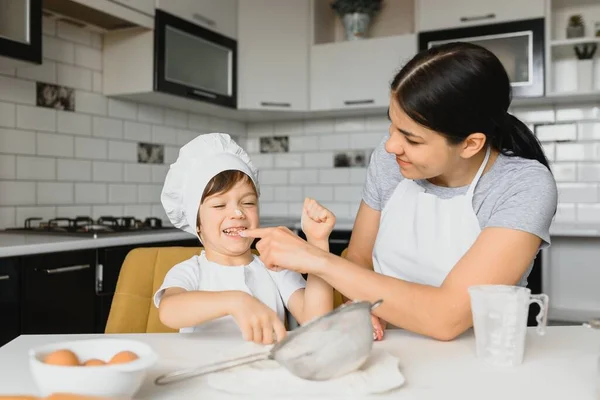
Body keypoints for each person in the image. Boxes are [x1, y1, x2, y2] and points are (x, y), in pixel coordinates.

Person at [240, 42, 558, 341]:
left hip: (483, 355)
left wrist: (317, 259)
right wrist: (360, 305)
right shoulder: (391, 160)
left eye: (412, 138)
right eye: (392, 125)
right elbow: (359, 255)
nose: (392, 145)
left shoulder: (522, 185)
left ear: (470, 144)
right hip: (388, 345)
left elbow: (447, 317)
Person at [154, 133, 334, 344]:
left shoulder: (275, 268)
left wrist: (318, 244)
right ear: (198, 223)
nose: (238, 213)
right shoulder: (190, 271)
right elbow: (169, 311)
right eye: (220, 205)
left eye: (248, 203)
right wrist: (235, 301)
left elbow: (317, 321)